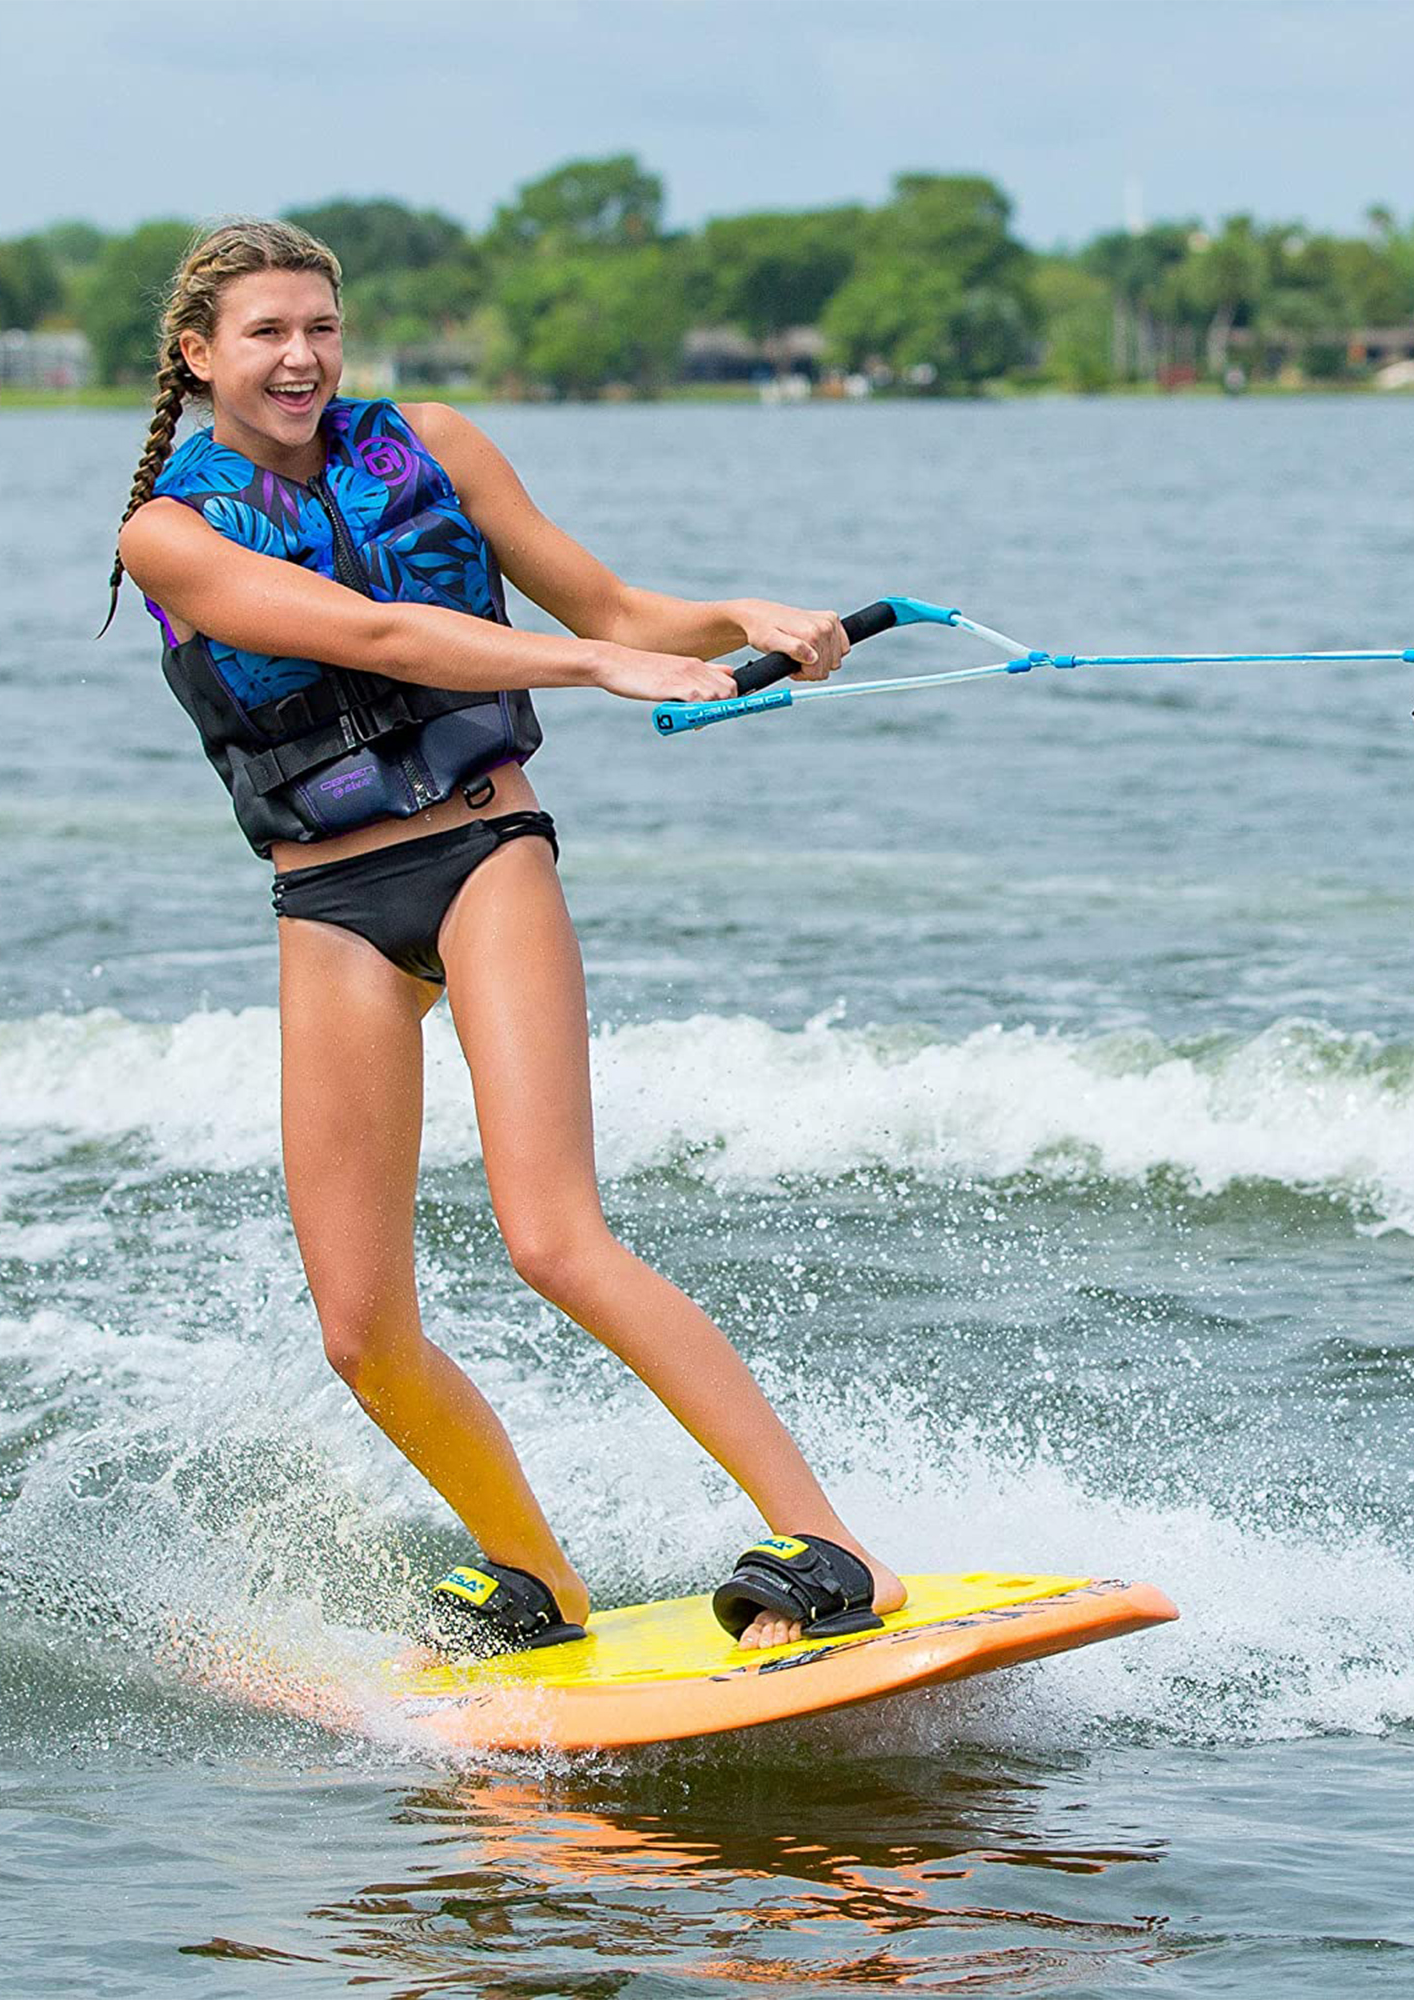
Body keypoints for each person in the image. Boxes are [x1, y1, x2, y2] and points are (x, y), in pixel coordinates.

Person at [108, 219, 905, 1657]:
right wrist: (600, 664)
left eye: (321, 328)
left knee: (551, 1237)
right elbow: (378, 636)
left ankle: (836, 1549)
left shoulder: (432, 443)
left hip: (483, 850)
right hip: (331, 905)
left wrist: (740, 615)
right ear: (198, 353)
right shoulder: (166, 535)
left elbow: (613, 606)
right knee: (360, 1329)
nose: (301, 358)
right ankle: (534, 1580)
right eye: (267, 332)